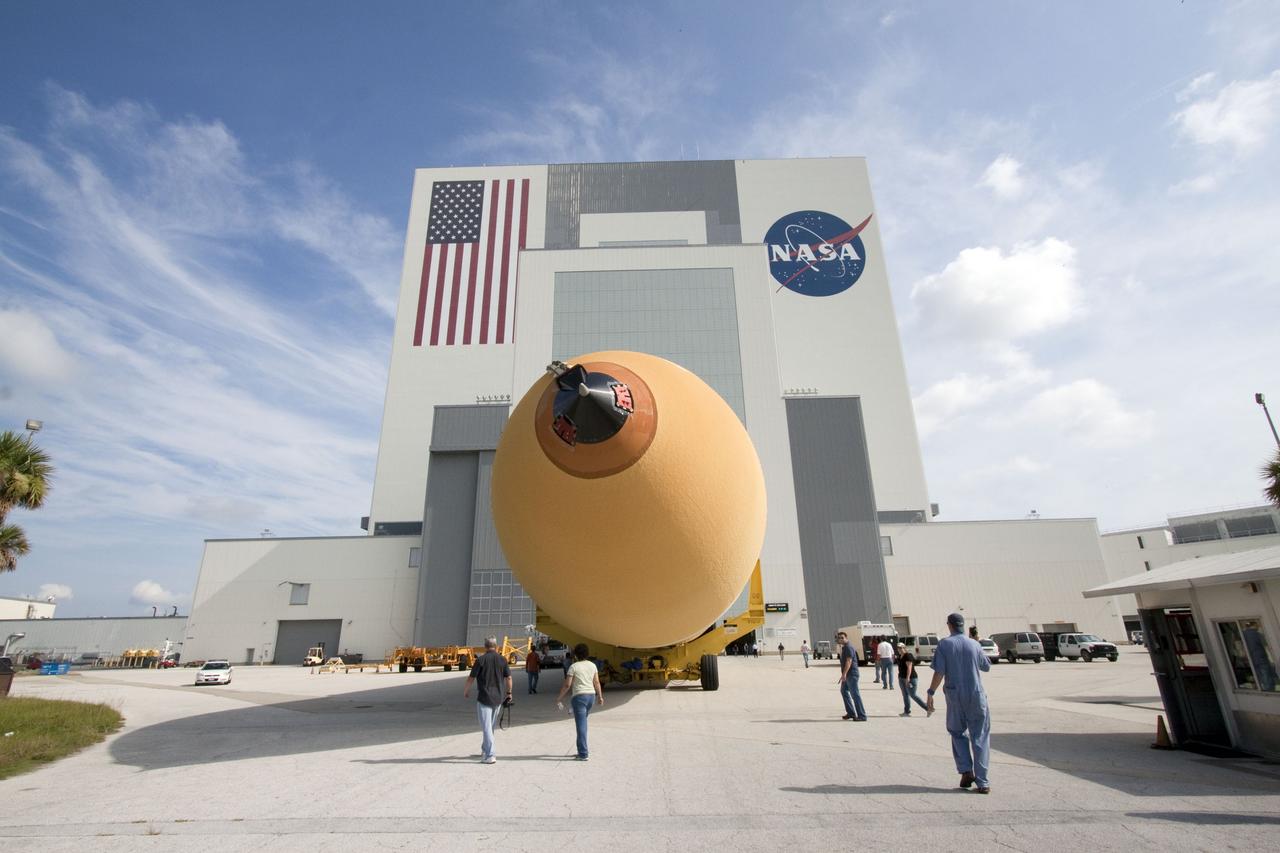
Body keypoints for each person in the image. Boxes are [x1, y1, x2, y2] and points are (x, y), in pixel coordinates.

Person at [927, 612, 992, 794]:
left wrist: (931, 692)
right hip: (976, 694)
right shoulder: (974, 644)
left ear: (949, 625)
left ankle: (966, 771)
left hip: (955, 695)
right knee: (980, 736)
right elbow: (986, 666)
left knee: (957, 732)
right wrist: (976, 644)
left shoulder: (945, 644)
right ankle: (983, 782)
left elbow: (939, 671)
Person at [462, 637, 512, 764]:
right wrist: (509, 693)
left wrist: (466, 690)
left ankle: (490, 755)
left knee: (486, 727)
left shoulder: (481, 660)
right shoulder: (502, 659)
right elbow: (509, 678)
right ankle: (485, 749)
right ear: (496, 646)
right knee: (490, 727)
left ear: (485, 646)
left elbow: (471, 678)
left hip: (484, 697)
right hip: (498, 698)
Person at [556, 643, 604, 760]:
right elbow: (597, 682)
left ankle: (583, 754)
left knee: (581, 726)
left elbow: (567, 684)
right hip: (591, 697)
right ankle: (580, 750)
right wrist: (600, 696)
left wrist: (559, 698)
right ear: (587, 654)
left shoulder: (574, 667)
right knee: (582, 724)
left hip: (579, 698)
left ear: (576, 655)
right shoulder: (593, 665)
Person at [836, 630, 867, 721]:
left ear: (846, 638)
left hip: (851, 674)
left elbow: (849, 661)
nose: (841, 639)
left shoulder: (849, 647)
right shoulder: (844, 647)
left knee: (855, 695)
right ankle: (851, 713)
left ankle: (862, 716)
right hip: (847, 675)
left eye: (842, 638)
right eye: (839, 638)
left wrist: (844, 674)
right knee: (844, 691)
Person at [896, 641, 929, 717]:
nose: (899, 649)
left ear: (904, 648)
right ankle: (906, 711)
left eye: (901, 648)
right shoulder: (899, 656)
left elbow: (909, 668)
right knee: (905, 695)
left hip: (911, 678)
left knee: (913, 695)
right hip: (901, 678)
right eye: (898, 648)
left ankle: (927, 708)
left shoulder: (908, 655)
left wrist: (907, 678)